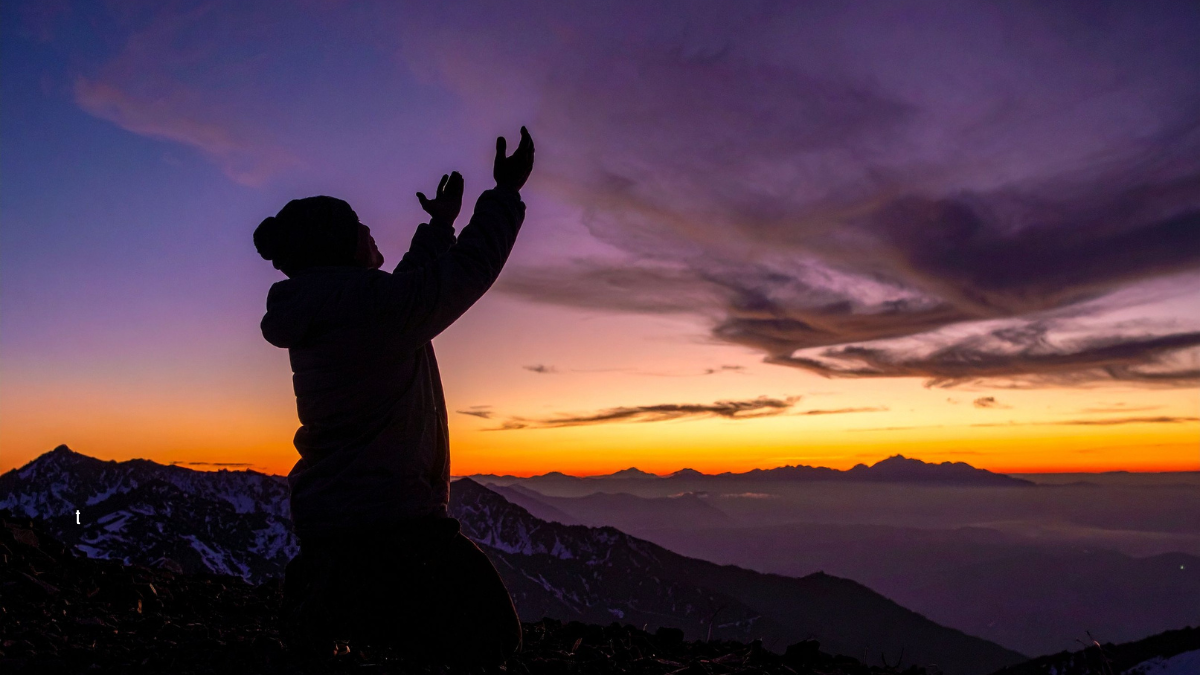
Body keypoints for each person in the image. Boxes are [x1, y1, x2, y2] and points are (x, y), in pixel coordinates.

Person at [253, 128, 535, 666]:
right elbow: (457, 276)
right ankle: (337, 609)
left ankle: (327, 599)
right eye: (359, 227)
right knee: (493, 638)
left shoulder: (337, 305)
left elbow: (408, 289)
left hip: (336, 512)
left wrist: (438, 225)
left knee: (397, 613)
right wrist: (504, 192)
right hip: (393, 517)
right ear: (340, 247)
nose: (369, 231)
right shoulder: (374, 308)